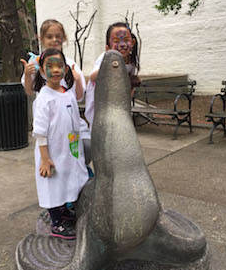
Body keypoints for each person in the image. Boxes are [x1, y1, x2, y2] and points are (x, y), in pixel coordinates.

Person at [32, 48, 89, 239]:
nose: (55, 70)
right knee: (53, 184)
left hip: (69, 149)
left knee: (66, 180)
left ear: (65, 69)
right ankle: (57, 223)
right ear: (41, 71)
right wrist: (45, 158)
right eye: (50, 66)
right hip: (52, 152)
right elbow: (39, 132)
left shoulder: (68, 93)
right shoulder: (44, 98)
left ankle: (64, 211)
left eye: (59, 66)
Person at [20, 19, 91, 165]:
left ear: (64, 37)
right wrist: (27, 74)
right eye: (49, 36)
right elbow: (29, 91)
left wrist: (77, 79)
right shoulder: (36, 64)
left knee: (84, 149)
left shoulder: (70, 64)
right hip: (51, 124)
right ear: (41, 39)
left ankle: (80, 173)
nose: (54, 40)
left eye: (58, 36)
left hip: (70, 121)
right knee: (57, 158)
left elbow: (79, 97)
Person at [85, 22, 141, 129]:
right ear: (108, 47)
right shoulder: (105, 58)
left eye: (126, 40)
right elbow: (92, 77)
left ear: (133, 42)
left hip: (118, 101)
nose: (122, 44)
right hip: (101, 100)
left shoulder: (132, 61)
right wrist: (110, 64)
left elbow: (130, 84)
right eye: (116, 41)